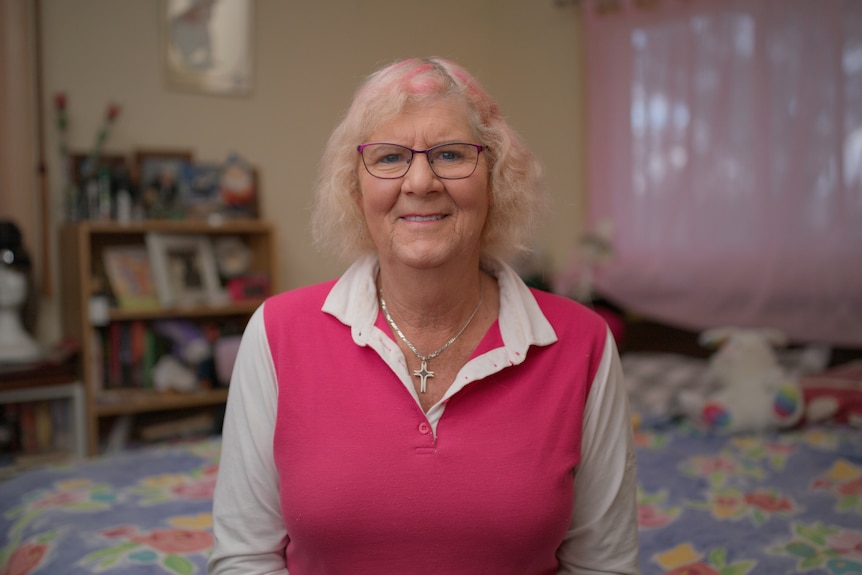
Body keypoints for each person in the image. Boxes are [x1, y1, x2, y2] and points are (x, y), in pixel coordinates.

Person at [209, 57, 640, 574]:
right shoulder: (277, 332)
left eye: (451, 154)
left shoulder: (583, 343)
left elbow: (604, 567)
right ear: (356, 187)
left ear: (497, 179)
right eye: (389, 158)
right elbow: (245, 560)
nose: (420, 181)